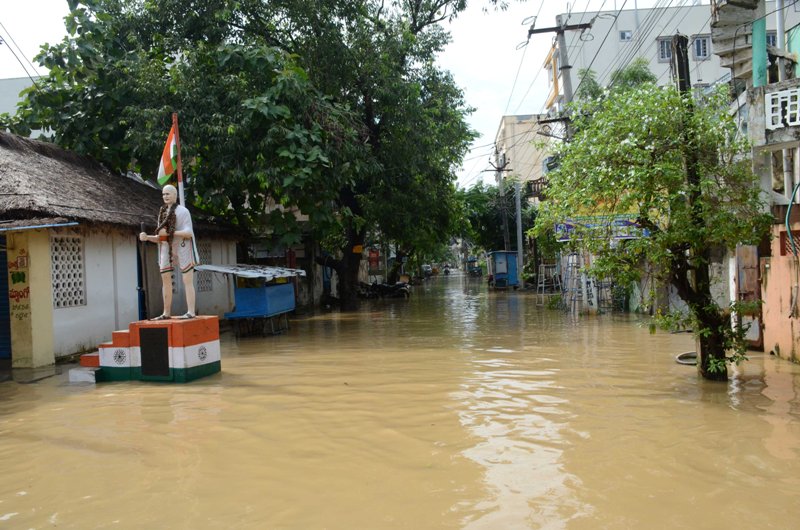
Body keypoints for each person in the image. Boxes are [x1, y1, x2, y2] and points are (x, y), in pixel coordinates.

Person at [139, 184, 199, 319]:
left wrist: (172, 233)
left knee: (187, 279)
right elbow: (161, 237)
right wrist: (147, 237)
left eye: (168, 194)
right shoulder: (162, 213)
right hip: (166, 245)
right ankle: (166, 313)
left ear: (175, 195)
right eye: (164, 194)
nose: (165, 196)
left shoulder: (183, 211)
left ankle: (191, 311)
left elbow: (189, 233)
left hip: (183, 244)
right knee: (165, 279)